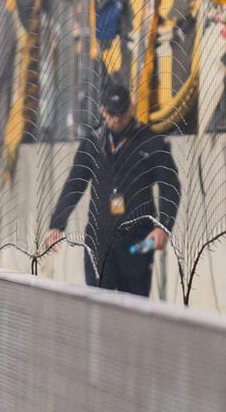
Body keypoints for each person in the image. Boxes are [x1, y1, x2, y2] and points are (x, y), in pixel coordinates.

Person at [45, 84, 180, 297]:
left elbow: (170, 185)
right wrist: (57, 223)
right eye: (111, 114)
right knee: (98, 308)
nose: (116, 120)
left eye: (121, 114)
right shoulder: (93, 143)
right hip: (99, 240)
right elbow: (75, 183)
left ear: (131, 109)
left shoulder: (151, 142)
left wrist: (164, 226)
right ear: (102, 110)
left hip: (137, 240)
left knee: (135, 309)